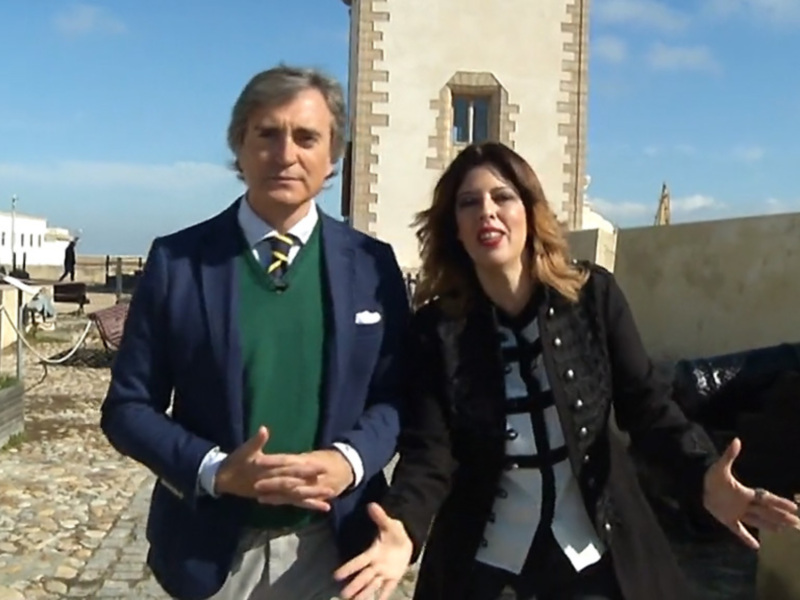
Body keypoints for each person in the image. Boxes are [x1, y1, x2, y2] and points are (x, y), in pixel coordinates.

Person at [334, 142, 800, 600]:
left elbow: (650, 409)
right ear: (454, 227)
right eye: (468, 203)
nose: (486, 212)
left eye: (503, 197)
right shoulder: (436, 331)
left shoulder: (593, 297)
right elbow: (429, 453)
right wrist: (404, 527)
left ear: (530, 212)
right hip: (485, 560)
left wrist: (702, 477)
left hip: (596, 552)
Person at [100, 65, 409, 600]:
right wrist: (215, 471)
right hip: (213, 553)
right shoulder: (178, 262)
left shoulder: (373, 265)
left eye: (307, 137)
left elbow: (398, 395)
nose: (286, 153)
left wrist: (350, 461)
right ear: (238, 145)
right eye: (267, 133)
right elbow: (127, 408)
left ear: (333, 153)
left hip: (335, 549)